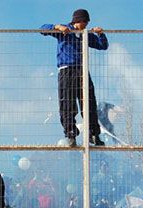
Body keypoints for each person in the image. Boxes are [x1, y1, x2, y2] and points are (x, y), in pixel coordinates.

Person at [41, 9, 109, 147]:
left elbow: (103, 46)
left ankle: (93, 134)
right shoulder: (65, 30)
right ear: (77, 20)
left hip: (82, 71)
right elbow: (42, 29)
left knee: (89, 103)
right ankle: (71, 135)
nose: (86, 25)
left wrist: (100, 34)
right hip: (66, 70)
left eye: (87, 23)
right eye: (84, 22)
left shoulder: (85, 34)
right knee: (67, 104)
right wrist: (56, 27)